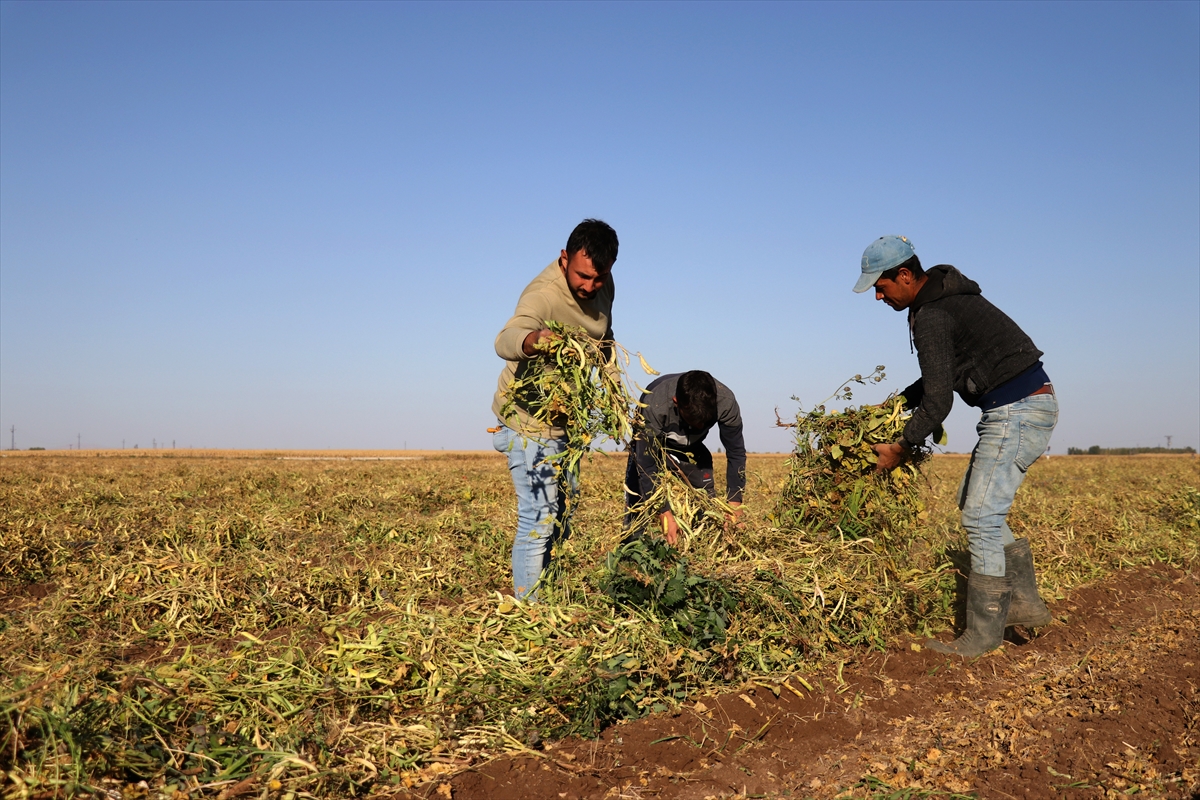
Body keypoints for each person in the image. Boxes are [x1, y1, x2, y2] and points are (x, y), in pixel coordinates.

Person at [854, 235, 1058, 657]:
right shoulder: (944, 300)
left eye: (881, 285)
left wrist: (901, 445)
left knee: (981, 518)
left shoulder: (932, 315)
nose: (877, 295)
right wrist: (896, 404)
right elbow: (939, 377)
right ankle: (1025, 604)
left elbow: (939, 401)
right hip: (1022, 405)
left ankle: (983, 636)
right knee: (975, 503)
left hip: (1017, 410)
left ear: (905, 276)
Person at [491, 219, 618, 601]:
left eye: (599, 278)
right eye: (583, 276)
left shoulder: (603, 283)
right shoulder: (543, 295)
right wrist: (533, 340)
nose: (589, 287)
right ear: (565, 259)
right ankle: (531, 614)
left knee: (561, 517)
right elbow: (504, 339)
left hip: (566, 425)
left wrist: (613, 385)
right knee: (538, 521)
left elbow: (604, 338)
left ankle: (547, 594)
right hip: (526, 422)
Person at [623, 370, 747, 545]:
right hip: (653, 443)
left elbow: (736, 453)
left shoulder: (726, 403)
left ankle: (702, 543)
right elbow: (647, 465)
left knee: (704, 500)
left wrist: (735, 503)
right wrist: (664, 513)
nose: (699, 425)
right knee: (637, 493)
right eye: (693, 420)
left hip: (693, 448)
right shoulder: (654, 405)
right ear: (676, 403)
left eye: (704, 421)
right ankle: (631, 545)